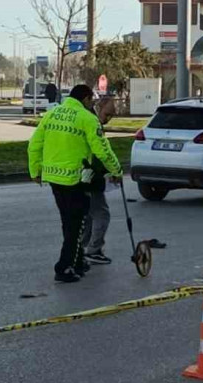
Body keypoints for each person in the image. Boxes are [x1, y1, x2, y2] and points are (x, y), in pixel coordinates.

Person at [28, 85, 123, 283]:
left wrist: (35, 170)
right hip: (76, 179)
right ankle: (64, 267)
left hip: (54, 178)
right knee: (75, 225)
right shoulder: (87, 119)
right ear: (87, 99)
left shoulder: (52, 114)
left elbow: (35, 144)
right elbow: (102, 150)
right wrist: (117, 170)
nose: (92, 104)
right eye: (92, 100)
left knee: (70, 222)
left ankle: (78, 262)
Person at [82, 97, 119, 265]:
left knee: (89, 213)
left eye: (112, 116)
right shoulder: (93, 123)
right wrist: (112, 170)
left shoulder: (86, 117)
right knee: (102, 213)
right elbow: (99, 153)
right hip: (90, 175)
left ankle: (82, 248)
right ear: (99, 106)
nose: (108, 118)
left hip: (81, 174)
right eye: (108, 114)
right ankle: (94, 249)